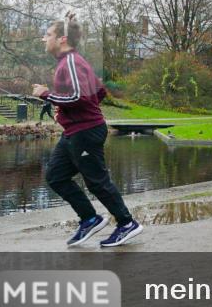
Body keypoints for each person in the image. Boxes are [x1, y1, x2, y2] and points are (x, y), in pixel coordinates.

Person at [33, 15, 143, 248]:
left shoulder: (71, 61)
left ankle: (126, 223)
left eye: (48, 34)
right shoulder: (70, 61)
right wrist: (65, 112)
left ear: (62, 39)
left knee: (96, 181)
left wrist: (46, 94)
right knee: (55, 176)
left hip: (85, 132)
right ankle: (90, 218)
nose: (44, 38)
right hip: (75, 131)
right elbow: (99, 92)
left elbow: (79, 96)